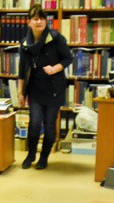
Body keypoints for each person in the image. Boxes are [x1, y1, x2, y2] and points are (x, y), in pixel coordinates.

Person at [17, 4, 72, 170]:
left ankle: (44, 157)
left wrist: (54, 68)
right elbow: (21, 69)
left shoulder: (55, 38)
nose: (38, 21)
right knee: (34, 124)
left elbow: (68, 58)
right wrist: (20, 92)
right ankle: (31, 154)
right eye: (35, 18)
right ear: (29, 22)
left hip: (54, 90)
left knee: (49, 126)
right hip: (35, 90)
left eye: (41, 18)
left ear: (45, 21)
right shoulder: (25, 43)